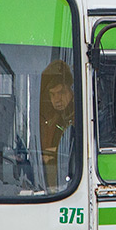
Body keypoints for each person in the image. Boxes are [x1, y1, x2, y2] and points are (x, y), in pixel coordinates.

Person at [39, 60, 77, 189]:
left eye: (61, 92)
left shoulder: (84, 117)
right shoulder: (52, 120)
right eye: (52, 95)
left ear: (72, 90)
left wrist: (55, 153)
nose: (57, 100)